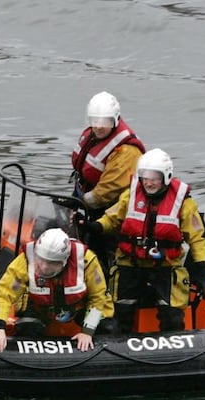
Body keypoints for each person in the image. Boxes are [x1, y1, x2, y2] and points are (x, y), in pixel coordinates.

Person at [77, 148, 205, 333]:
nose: (148, 182)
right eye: (144, 177)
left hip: (165, 266)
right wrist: (95, 226)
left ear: (166, 176)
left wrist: (202, 272)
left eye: (154, 178)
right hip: (130, 264)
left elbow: (196, 239)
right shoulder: (131, 195)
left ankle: (171, 351)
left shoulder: (184, 203)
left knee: (172, 317)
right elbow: (113, 218)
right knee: (119, 313)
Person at [0, 228, 114, 354]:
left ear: (64, 261)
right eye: (41, 260)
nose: (43, 266)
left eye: (50, 263)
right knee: (26, 328)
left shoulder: (86, 261)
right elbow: (5, 293)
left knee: (108, 327)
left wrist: (88, 332)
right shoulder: (27, 259)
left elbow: (98, 297)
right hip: (42, 309)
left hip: (79, 309)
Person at [71, 91, 146, 270]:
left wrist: (82, 201)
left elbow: (109, 190)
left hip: (113, 210)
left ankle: (109, 282)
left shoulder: (126, 150)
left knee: (109, 254)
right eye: (95, 122)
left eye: (105, 122)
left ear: (115, 120)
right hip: (87, 201)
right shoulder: (93, 135)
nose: (99, 127)